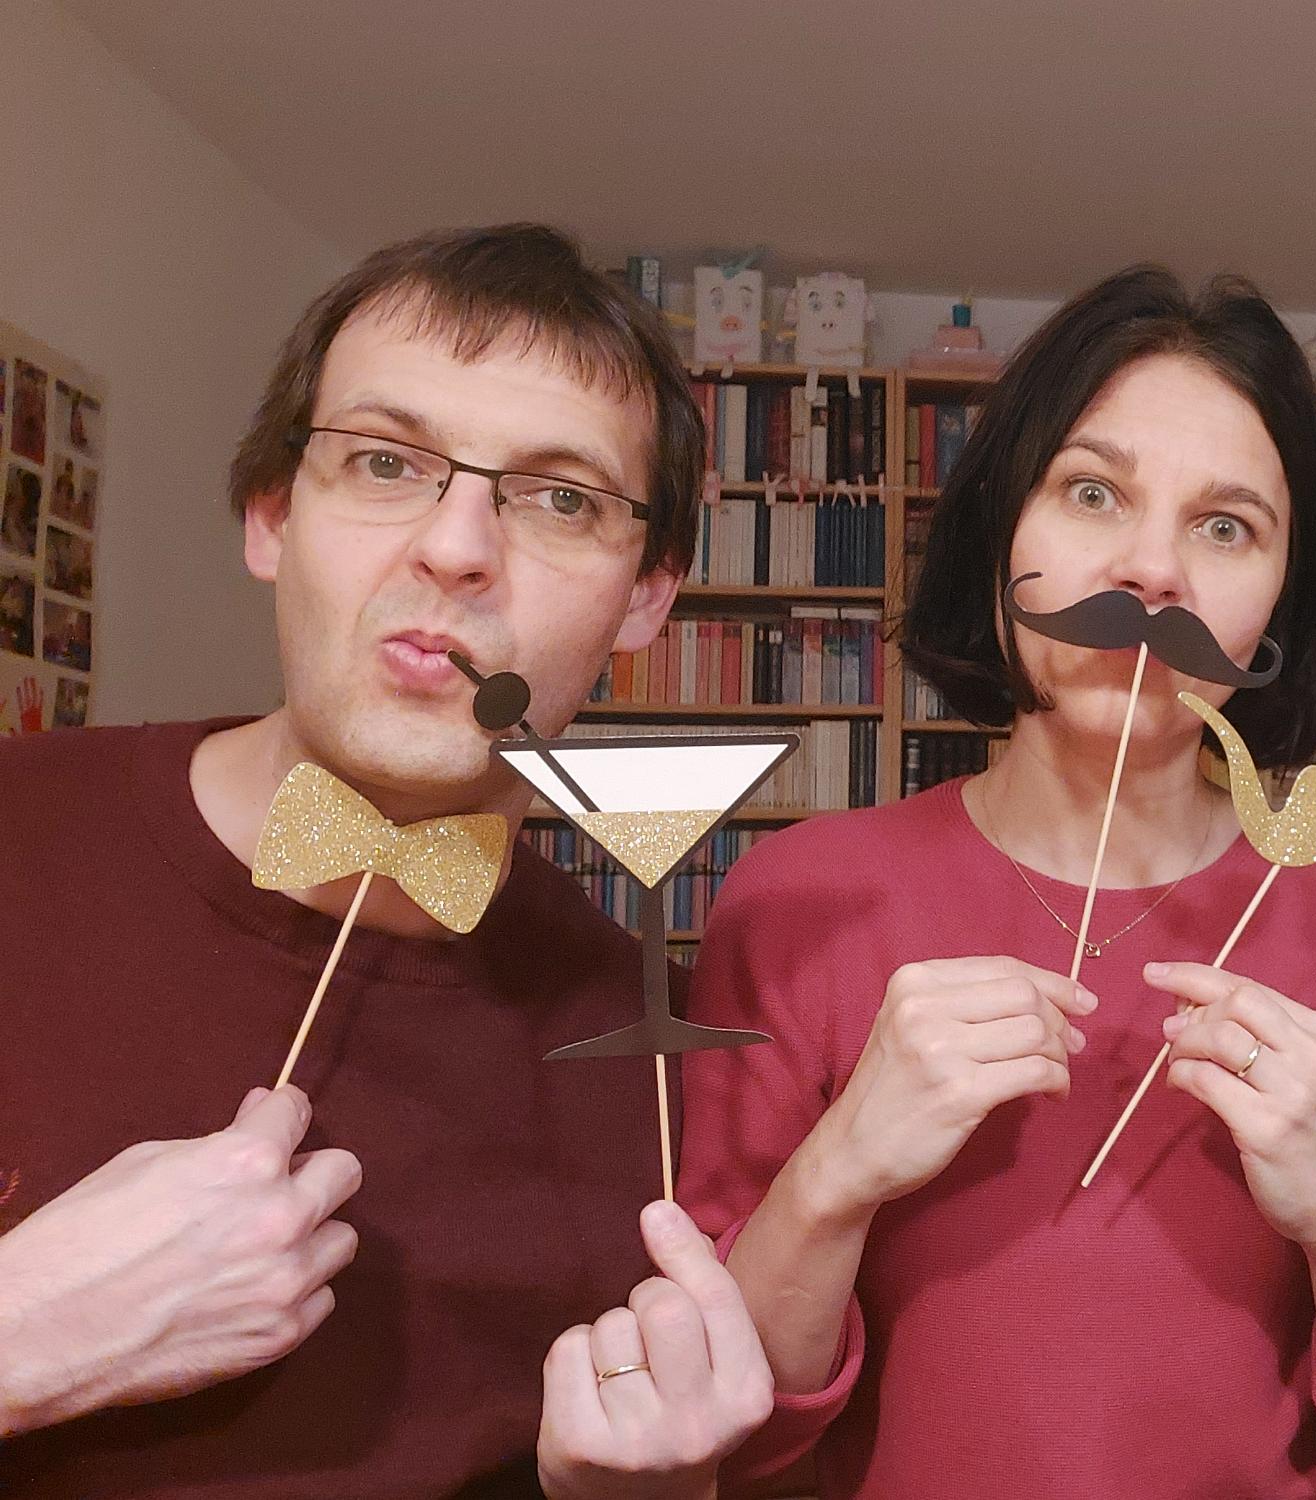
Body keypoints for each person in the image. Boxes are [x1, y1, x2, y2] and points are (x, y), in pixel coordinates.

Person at [677, 265, 1316, 1498]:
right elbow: (729, 1435)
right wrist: (839, 1170)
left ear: (1283, 601)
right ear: (998, 533)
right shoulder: (798, 903)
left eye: (1226, 527)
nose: (1151, 571)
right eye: (1092, 492)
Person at [0, 224, 769, 1497]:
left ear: (645, 598)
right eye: (383, 462)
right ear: (271, 516)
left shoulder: (661, 1082)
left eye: (561, 499)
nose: (457, 547)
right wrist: (25, 1335)